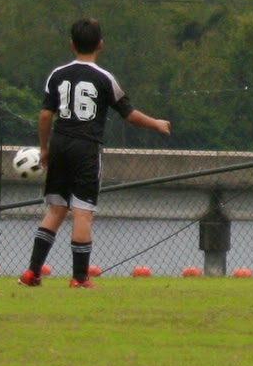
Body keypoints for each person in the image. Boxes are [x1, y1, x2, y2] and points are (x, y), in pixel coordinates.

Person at [18, 17, 171, 288]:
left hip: (60, 144)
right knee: (82, 212)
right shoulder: (104, 78)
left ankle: (32, 272)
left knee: (56, 209)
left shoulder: (57, 74)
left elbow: (45, 115)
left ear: (71, 44)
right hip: (86, 148)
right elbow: (129, 114)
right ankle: (79, 279)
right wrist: (156, 123)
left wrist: (44, 148)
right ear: (101, 44)